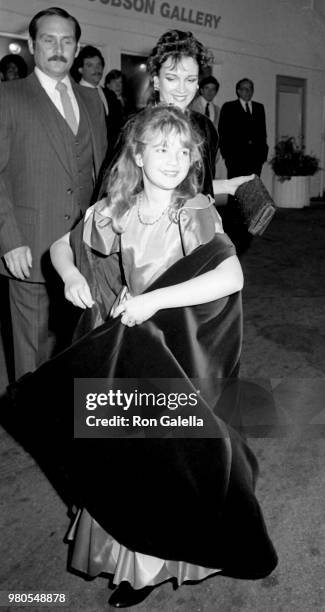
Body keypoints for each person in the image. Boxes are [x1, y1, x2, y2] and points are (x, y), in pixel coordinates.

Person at [45, 105, 276, 607]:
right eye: (161, 148)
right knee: (125, 459)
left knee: (173, 460)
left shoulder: (192, 211)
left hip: (177, 355)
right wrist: (71, 275)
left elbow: (231, 277)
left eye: (183, 150)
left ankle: (170, 556)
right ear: (138, 153)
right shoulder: (119, 207)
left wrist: (153, 299)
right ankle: (135, 569)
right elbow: (62, 246)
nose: (174, 159)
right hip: (129, 349)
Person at [0, 7, 107, 380]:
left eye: (67, 41)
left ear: (77, 49)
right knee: (31, 357)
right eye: (48, 39)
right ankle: (32, 429)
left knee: (74, 348)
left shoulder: (92, 100)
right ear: (31, 44)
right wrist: (9, 239)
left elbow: (102, 175)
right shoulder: (8, 96)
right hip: (27, 249)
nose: (58, 48)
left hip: (82, 253)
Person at [218, 78, 268, 178]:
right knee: (236, 190)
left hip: (256, 158)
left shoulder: (259, 107)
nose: (248, 91)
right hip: (235, 158)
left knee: (253, 189)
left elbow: (262, 132)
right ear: (238, 91)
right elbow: (223, 131)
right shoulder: (229, 107)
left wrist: (263, 154)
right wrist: (227, 154)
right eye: (245, 89)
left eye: (250, 88)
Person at [73, 44, 109, 117]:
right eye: (90, 65)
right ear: (80, 70)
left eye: (99, 65)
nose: (96, 69)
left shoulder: (110, 95)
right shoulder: (74, 94)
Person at [104, 69, 130, 151]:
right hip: (111, 145)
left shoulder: (128, 101)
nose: (118, 86)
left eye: (120, 82)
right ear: (108, 85)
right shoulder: (105, 102)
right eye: (115, 82)